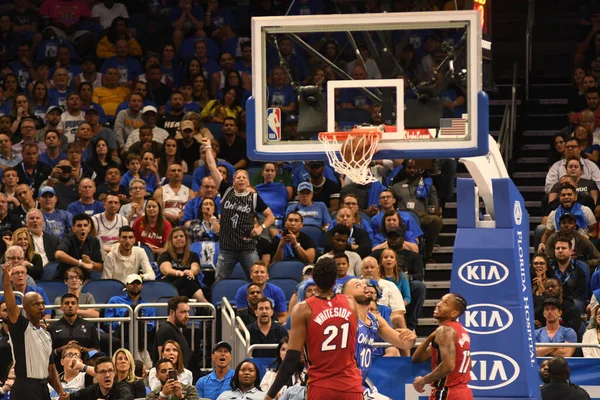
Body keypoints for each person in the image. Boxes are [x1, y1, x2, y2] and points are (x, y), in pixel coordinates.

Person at [264, 258, 363, 400]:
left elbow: (292, 357)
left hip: (321, 386)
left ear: (314, 280)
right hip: (351, 386)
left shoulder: (303, 309)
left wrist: (270, 395)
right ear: (336, 280)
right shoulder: (350, 303)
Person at [201, 137, 275, 280]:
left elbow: (270, 216)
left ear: (248, 182)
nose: (241, 179)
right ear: (233, 181)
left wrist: (261, 227)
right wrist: (209, 147)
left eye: (244, 177)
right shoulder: (226, 190)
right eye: (238, 177)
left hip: (247, 248)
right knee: (220, 281)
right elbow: (211, 166)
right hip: (227, 248)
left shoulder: (253, 197)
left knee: (258, 278)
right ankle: (220, 303)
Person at [1, 259, 66, 400]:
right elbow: (11, 305)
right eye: (36, 304)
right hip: (24, 387)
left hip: (43, 388)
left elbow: (51, 369)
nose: (41, 307)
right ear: (25, 307)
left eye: (42, 303)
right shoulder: (20, 327)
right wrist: (7, 279)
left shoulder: (47, 334)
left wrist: (61, 391)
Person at [342, 278, 416, 398]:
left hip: (359, 382)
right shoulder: (345, 317)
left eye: (364, 284)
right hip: (344, 384)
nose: (365, 286)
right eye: (358, 285)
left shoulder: (375, 319)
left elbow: (404, 344)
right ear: (347, 296)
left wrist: (411, 338)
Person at [412, 293, 472, 399]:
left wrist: (423, 381)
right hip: (464, 392)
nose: (439, 304)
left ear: (454, 313)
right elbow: (417, 358)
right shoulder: (461, 331)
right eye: (441, 300)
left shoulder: (445, 331)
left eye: (445, 303)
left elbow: (448, 366)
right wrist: (431, 337)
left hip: (448, 393)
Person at [158, 227, 207, 302]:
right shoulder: (165, 255)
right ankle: (205, 304)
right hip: (171, 285)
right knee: (185, 281)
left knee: (186, 282)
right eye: (175, 237)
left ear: (186, 239)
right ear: (171, 241)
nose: (179, 238)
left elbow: (196, 268)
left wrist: (191, 272)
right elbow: (166, 270)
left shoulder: (192, 255)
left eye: (181, 236)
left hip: (189, 286)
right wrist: (179, 273)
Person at [48, 293, 100, 359]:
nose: (70, 305)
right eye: (67, 303)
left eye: (73, 303)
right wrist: (63, 348)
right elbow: (49, 353)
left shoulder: (89, 326)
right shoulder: (52, 328)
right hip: (60, 368)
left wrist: (80, 348)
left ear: (78, 307)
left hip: (84, 367)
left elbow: (97, 351)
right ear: (61, 308)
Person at [54, 213, 103, 280]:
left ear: (89, 228)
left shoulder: (94, 241)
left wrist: (91, 262)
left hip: (84, 280)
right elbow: (58, 254)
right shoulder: (68, 238)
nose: (82, 228)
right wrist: (81, 263)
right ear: (73, 228)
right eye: (79, 226)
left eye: (85, 225)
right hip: (64, 280)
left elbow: (100, 267)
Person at [154, 296, 197, 374]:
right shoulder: (166, 330)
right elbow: (164, 361)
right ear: (172, 312)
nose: (187, 316)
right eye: (183, 312)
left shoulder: (175, 329)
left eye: (188, 312)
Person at [68, 356, 134, 399]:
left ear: (114, 373)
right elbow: (72, 396)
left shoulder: (122, 386)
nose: (107, 375)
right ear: (96, 375)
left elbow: (128, 398)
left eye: (110, 371)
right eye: (103, 372)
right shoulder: (92, 390)